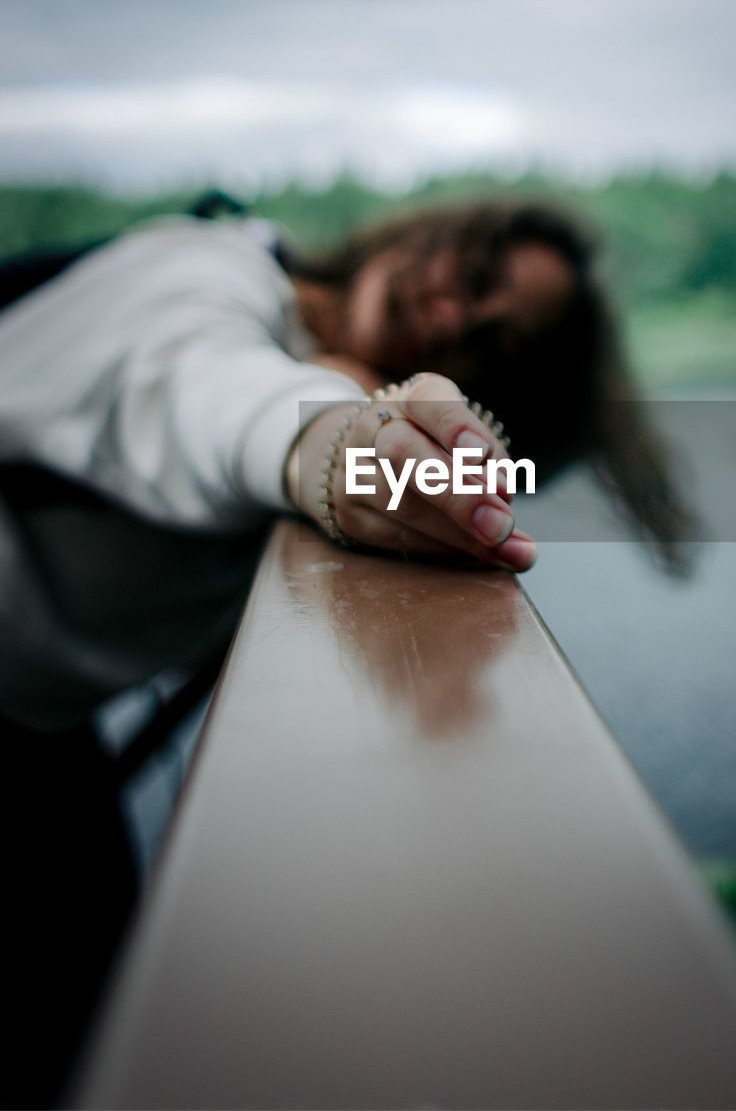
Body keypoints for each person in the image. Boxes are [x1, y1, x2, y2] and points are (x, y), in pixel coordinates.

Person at [0, 197, 693, 1107]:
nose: (449, 312)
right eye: (475, 270)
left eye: (492, 345)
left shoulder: (324, 373)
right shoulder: (208, 269)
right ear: (436, 224)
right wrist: (338, 444)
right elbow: (196, 392)